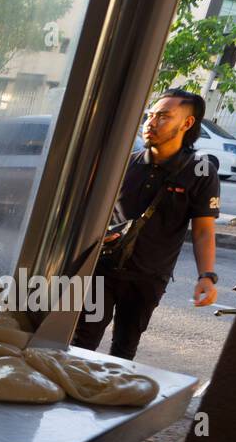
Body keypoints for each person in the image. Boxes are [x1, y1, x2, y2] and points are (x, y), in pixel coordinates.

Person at [73, 89, 220, 360]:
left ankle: (109, 399)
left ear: (186, 124)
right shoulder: (125, 163)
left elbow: (203, 231)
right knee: (82, 339)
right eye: (150, 115)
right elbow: (92, 210)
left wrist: (206, 276)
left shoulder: (200, 171)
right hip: (102, 271)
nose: (151, 123)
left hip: (148, 279)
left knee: (124, 348)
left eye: (163, 117)